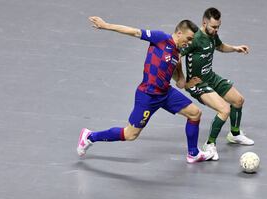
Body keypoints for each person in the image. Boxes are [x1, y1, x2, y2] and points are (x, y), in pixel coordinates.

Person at [77, 16, 214, 163]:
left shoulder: (176, 54)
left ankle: (193, 153)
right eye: (189, 38)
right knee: (130, 135)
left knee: (195, 113)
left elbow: (180, 83)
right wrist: (106, 25)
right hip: (148, 95)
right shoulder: (161, 38)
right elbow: (135, 32)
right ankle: (90, 136)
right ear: (179, 33)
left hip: (165, 93)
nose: (190, 42)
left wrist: (187, 80)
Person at [180, 8, 254, 161]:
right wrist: (182, 80)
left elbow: (219, 46)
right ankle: (210, 144)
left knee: (238, 100)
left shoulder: (212, 35)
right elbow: (176, 55)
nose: (216, 30)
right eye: (213, 27)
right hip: (198, 84)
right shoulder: (194, 38)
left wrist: (235, 48)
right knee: (224, 109)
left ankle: (235, 134)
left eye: (218, 26)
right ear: (204, 22)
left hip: (210, 77)